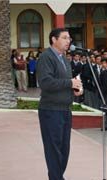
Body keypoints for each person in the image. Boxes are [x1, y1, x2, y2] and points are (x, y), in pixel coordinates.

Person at [37, 28, 82, 180]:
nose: (68, 41)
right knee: (53, 149)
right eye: (64, 38)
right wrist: (70, 83)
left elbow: (65, 84)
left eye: (69, 38)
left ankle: (57, 177)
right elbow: (46, 83)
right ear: (53, 40)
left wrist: (74, 89)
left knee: (64, 149)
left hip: (65, 110)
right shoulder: (46, 57)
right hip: (51, 110)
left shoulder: (64, 59)